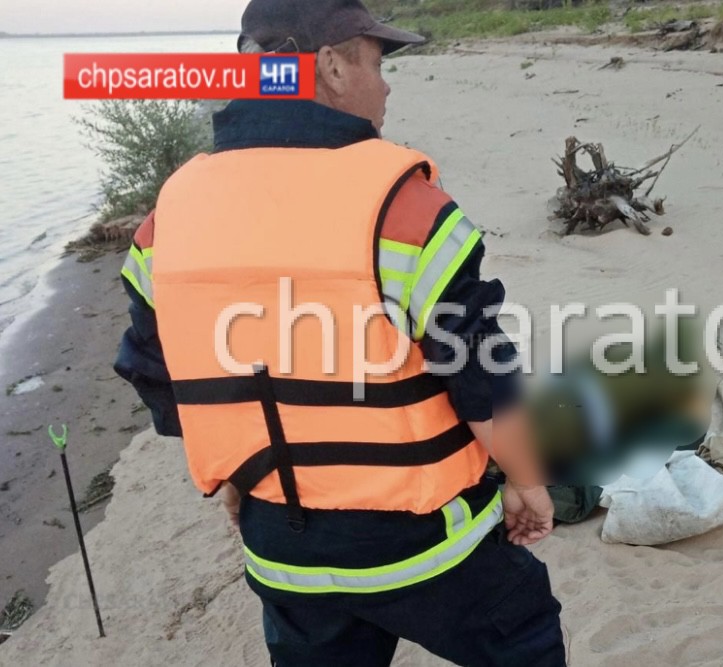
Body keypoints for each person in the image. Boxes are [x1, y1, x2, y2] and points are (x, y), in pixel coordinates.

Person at [112, 1, 565, 664]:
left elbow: (153, 368)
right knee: (523, 635)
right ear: (329, 65)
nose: (386, 84)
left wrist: (237, 475)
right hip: (422, 543)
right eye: (377, 63)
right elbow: (476, 362)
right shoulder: (401, 202)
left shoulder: (169, 213)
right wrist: (526, 477)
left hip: (281, 550)